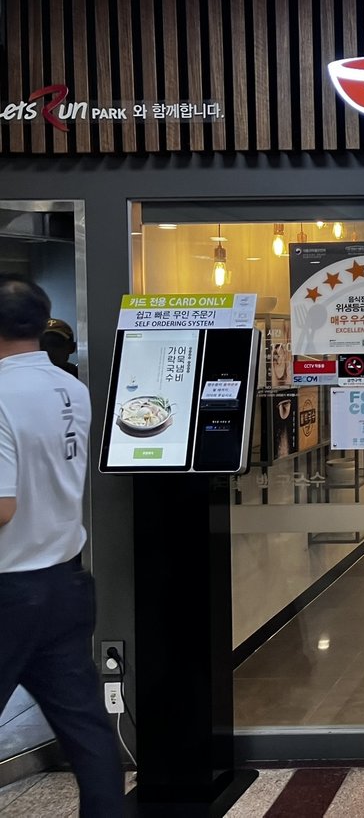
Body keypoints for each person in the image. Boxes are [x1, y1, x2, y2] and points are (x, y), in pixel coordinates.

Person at [0, 275, 124, 816]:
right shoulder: (69, 387)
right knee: (86, 728)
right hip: (65, 581)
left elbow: (2, 508)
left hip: (10, 587)